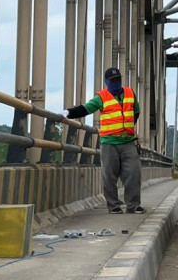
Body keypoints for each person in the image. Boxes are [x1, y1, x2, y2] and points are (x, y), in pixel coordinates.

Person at [60, 67, 144, 214]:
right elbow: (86, 109)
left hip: (128, 141)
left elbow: (136, 111)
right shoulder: (101, 97)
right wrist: (68, 112)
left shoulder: (130, 93)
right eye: (113, 81)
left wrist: (128, 127)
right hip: (109, 142)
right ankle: (114, 206)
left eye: (118, 79)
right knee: (109, 176)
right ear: (106, 82)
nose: (116, 82)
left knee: (133, 174)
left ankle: (133, 205)